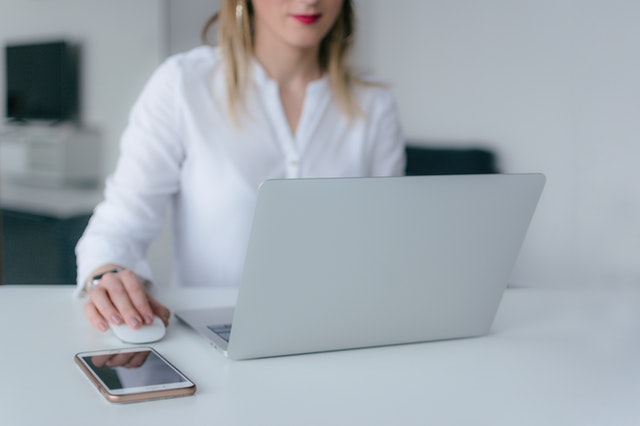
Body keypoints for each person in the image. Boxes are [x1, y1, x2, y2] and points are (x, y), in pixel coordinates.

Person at [75, 0, 405, 333]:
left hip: (341, 332)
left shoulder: (374, 105)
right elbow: (120, 225)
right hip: (216, 335)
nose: (309, 0)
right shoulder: (183, 85)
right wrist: (107, 275)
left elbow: (388, 244)